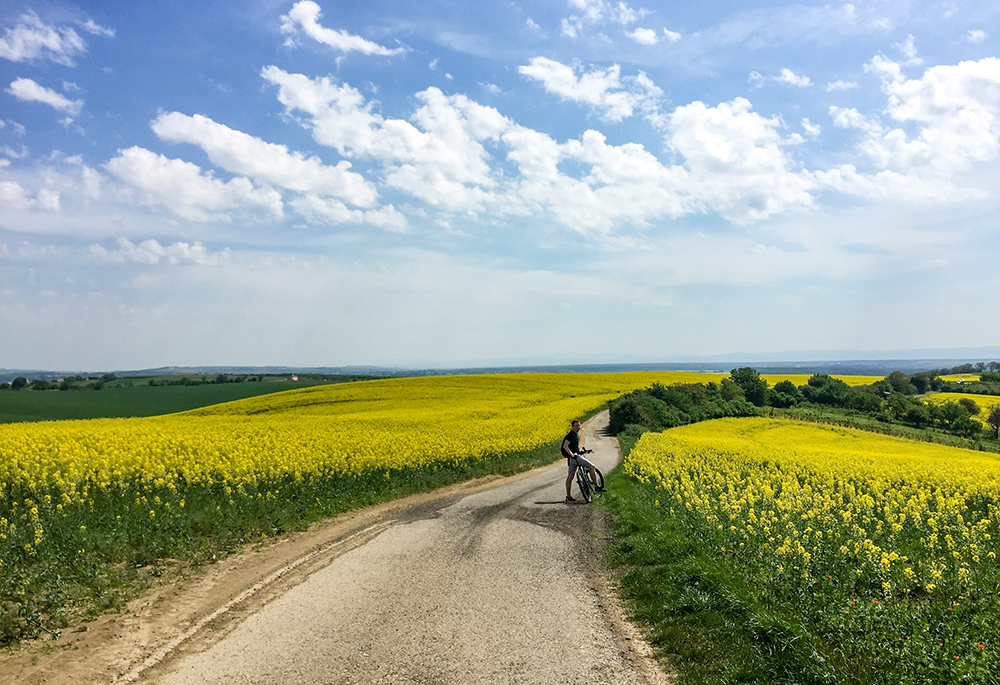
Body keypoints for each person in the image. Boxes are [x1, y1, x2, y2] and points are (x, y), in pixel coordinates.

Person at [562, 419, 602, 502]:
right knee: (592, 467)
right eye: (576, 426)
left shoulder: (574, 435)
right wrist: (572, 454)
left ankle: (568, 496)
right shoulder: (571, 435)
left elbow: (573, 447)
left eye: (579, 425)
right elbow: (565, 446)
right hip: (575, 458)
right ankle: (597, 486)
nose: (578, 427)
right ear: (572, 427)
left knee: (570, 477)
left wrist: (583, 452)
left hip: (571, 459)